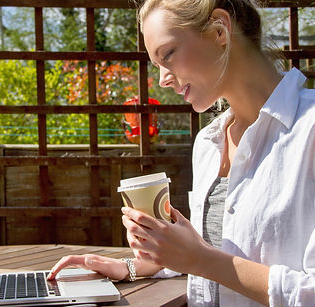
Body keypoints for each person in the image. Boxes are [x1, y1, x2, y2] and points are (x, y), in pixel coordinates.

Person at [47, 0, 315, 306]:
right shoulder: (208, 144)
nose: (162, 79)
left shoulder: (309, 129)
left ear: (219, 30)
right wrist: (139, 264)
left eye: (168, 54)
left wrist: (199, 259)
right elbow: (225, 260)